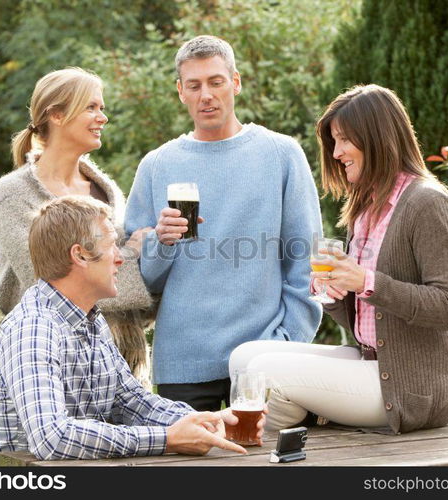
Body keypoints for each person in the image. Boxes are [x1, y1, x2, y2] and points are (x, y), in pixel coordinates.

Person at [230, 84, 448, 434]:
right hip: (371, 361)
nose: (337, 152)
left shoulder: (427, 203)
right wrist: (333, 291)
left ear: (377, 138)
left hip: (410, 387)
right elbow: (362, 320)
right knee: (244, 358)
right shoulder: (365, 209)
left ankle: (255, 456)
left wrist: (366, 282)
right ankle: (282, 440)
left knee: (266, 370)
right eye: (334, 142)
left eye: (344, 140)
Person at [0, 196, 263, 465]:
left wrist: (205, 422)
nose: (120, 258)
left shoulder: (90, 320)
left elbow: (131, 401)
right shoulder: (34, 328)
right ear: (80, 255)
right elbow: (51, 438)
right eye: (112, 246)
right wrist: (167, 439)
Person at [124, 35, 323, 411]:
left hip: (263, 358)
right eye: (194, 85)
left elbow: (307, 262)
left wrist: (286, 342)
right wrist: (161, 244)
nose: (206, 95)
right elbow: (138, 282)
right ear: (180, 91)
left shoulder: (281, 154)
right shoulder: (156, 166)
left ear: (236, 82)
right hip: (182, 363)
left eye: (216, 82)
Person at [0, 67, 154, 384]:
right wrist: (130, 253)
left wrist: (157, 246)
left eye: (101, 108)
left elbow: (122, 279)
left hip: (125, 362)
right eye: (91, 107)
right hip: (55, 362)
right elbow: (48, 284)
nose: (102, 117)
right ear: (57, 115)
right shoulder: (14, 195)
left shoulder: (107, 191)